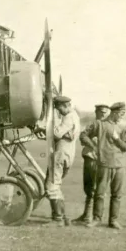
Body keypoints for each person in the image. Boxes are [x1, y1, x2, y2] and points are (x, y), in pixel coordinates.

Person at [79, 101, 126, 229]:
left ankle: (113, 221)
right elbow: (83, 136)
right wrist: (94, 146)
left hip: (119, 165)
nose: (122, 117)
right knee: (100, 193)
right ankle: (97, 219)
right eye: (121, 114)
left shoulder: (122, 128)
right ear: (114, 113)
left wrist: (117, 139)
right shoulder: (99, 124)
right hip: (104, 163)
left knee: (117, 195)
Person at [42, 95, 81, 227]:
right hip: (68, 153)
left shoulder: (69, 117)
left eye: (59, 109)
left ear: (65, 106)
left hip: (61, 154)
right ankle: (63, 217)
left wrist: (44, 128)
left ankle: (57, 218)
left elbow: (57, 133)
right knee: (56, 185)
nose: (59, 111)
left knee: (51, 184)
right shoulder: (75, 115)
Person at [73, 104, 110, 224]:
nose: (103, 114)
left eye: (105, 112)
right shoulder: (93, 124)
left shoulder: (110, 126)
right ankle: (87, 215)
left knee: (98, 189)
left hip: (103, 161)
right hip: (91, 158)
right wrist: (94, 145)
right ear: (96, 112)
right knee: (89, 187)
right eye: (101, 112)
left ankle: (94, 217)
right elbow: (83, 136)